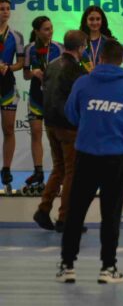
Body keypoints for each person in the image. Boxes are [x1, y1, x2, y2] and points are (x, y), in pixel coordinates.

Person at [56, 39, 123, 284]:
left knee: (75, 212)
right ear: (121, 60)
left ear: (100, 58)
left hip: (86, 156)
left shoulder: (83, 83)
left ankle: (67, 266)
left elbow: (71, 115)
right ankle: (108, 267)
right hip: (117, 159)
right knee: (111, 214)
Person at [33, 30, 87, 232]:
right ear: (81, 47)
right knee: (72, 172)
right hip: (68, 126)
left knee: (59, 168)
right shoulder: (76, 71)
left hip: (50, 123)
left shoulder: (52, 65)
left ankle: (44, 209)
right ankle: (65, 218)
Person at [23, 16, 64, 195]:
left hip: (54, 99)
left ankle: (60, 172)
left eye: (51, 28)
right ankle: (38, 172)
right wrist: (34, 72)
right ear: (37, 32)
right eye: (46, 29)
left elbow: (65, 71)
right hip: (36, 97)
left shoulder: (59, 47)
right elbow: (25, 75)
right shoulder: (29, 48)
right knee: (36, 133)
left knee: (56, 137)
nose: (50, 32)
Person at [0, 0, 24, 194]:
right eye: (1, 9)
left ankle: (6, 170)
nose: (5, 12)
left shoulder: (16, 36)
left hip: (7, 85)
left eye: (8, 8)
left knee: (8, 129)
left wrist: (8, 67)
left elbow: (21, 63)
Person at [79, 5, 113, 72]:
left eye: (98, 19)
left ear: (102, 21)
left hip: (104, 76)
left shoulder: (109, 42)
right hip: (84, 77)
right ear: (86, 21)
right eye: (91, 19)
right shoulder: (79, 41)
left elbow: (113, 65)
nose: (95, 22)